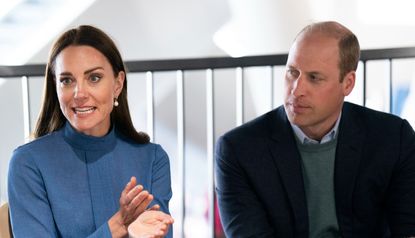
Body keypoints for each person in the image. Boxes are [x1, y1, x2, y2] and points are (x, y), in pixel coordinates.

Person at [215, 21, 415, 237]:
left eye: (314, 78)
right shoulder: (238, 150)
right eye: (292, 72)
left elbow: (407, 230)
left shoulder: (394, 139)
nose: (297, 89)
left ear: (348, 84)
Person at [8, 25, 174, 238]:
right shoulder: (28, 163)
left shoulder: (153, 159)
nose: (79, 93)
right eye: (67, 80)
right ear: (56, 87)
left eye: (94, 78)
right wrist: (118, 227)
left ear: (117, 83)